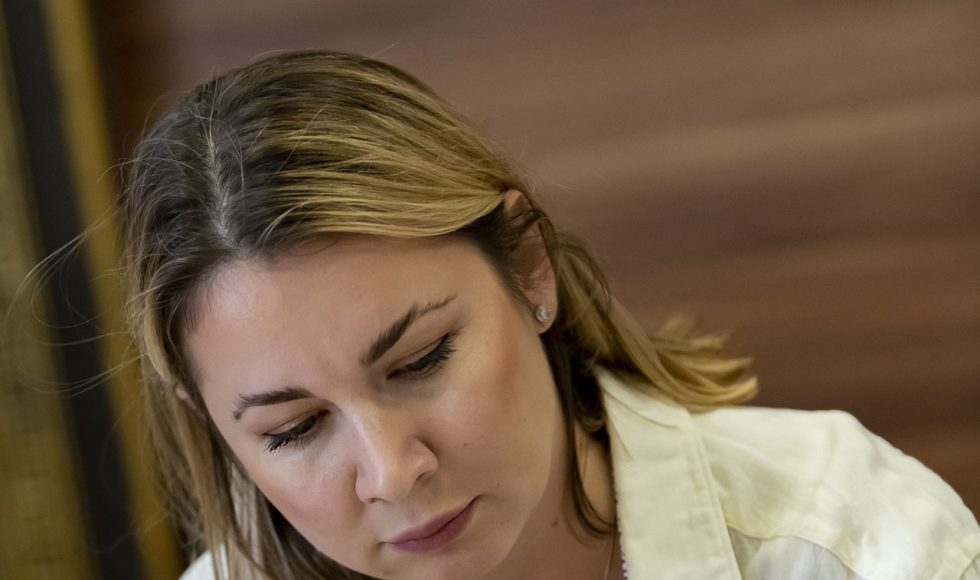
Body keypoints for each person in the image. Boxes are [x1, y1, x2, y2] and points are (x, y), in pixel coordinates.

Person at [120, 51, 979, 580]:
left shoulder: (845, 541)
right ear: (216, 428)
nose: (392, 472)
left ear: (528, 263)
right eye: (295, 429)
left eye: (420, 361)